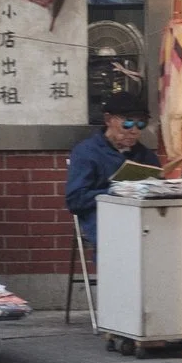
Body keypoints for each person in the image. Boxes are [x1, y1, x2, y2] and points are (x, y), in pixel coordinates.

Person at [65, 93, 159, 254]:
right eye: (127, 123)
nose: (134, 131)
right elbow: (75, 200)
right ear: (108, 120)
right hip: (103, 218)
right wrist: (114, 192)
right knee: (124, 241)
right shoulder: (87, 152)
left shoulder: (145, 155)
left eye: (141, 124)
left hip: (142, 217)